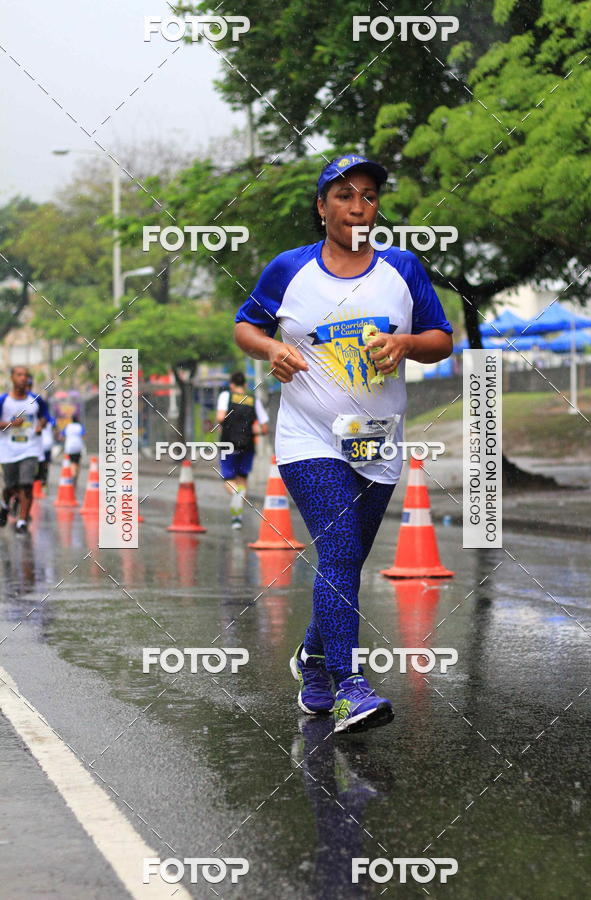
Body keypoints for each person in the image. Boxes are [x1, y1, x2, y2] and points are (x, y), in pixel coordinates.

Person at [234, 155, 453, 734]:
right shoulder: (289, 270)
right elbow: (246, 325)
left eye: (370, 197)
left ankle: (312, 661)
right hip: (309, 437)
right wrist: (270, 350)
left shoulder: (402, 268)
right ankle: (349, 686)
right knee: (335, 549)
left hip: (377, 441)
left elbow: (441, 340)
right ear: (322, 205)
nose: (359, 207)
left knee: (345, 559)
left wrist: (405, 344)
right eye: (345, 195)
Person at [216, 371, 269, 528]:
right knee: (242, 478)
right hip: (247, 445)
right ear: (245, 385)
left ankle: (236, 496)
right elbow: (264, 427)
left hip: (228, 443)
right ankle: (237, 518)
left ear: (232, 385)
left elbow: (220, 417)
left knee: (228, 478)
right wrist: (251, 431)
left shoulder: (226, 396)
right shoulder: (253, 400)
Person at [0, 366, 49, 534]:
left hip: (30, 449)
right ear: (12, 378)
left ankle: (22, 521)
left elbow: (45, 416)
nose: (23, 378)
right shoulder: (3, 401)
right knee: (10, 487)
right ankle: (5, 505)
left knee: (27, 485)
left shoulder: (36, 400)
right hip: (8, 451)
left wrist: (40, 426)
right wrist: (10, 425)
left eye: (25, 376)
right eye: (19, 375)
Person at [62, 414, 85, 485]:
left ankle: (72, 475)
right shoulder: (80, 426)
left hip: (69, 447)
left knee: (72, 463)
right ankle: (75, 476)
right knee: (77, 463)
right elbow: (83, 435)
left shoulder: (68, 426)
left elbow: (62, 435)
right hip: (78, 447)